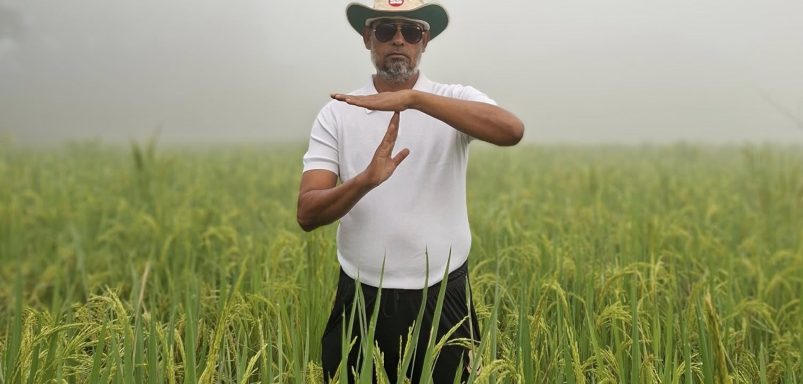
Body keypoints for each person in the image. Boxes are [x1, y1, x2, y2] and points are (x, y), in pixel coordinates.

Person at [296, 0, 524, 382]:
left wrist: (413, 99)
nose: (398, 40)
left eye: (411, 31)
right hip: (361, 295)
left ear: (425, 41)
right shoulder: (337, 113)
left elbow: (511, 131)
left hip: (443, 293)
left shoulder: (454, 100)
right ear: (368, 38)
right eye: (385, 30)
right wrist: (364, 180)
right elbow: (307, 213)